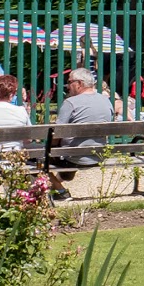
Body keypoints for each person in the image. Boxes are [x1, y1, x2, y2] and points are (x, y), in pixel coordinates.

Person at [51, 67, 117, 198]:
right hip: (98, 155)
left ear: (79, 84)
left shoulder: (70, 103)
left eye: (70, 82)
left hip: (73, 157)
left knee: (35, 160)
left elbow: (57, 133)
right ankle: (58, 182)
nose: (67, 86)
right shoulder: (106, 101)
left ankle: (60, 191)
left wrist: (50, 148)